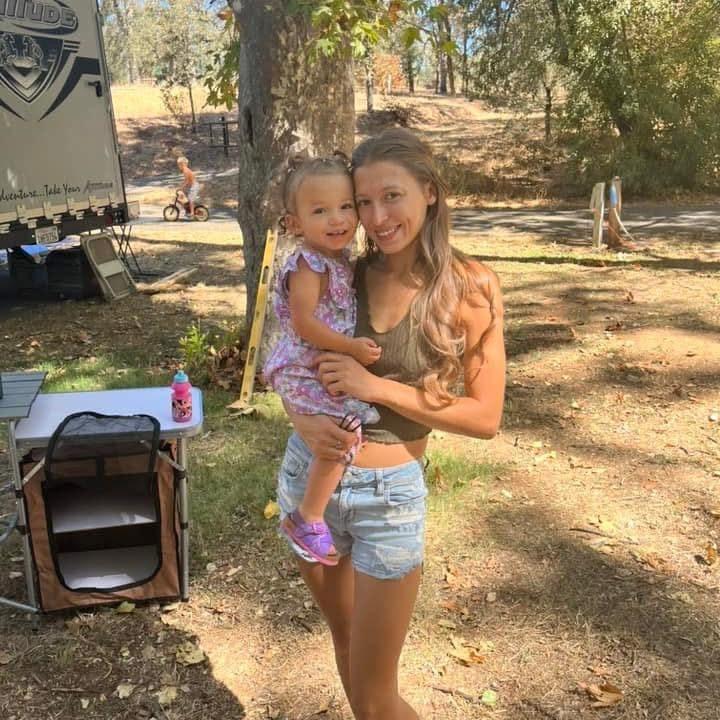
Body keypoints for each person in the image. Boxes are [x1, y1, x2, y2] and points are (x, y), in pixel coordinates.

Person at [275, 128, 506, 720]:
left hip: (390, 500)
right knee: (347, 649)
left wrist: (374, 387)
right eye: (364, 202)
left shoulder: (470, 287)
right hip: (311, 488)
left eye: (392, 196)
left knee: (378, 696)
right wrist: (301, 420)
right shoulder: (342, 273)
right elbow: (292, 360)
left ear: (429, 191)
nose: (376, 218)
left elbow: (485, 418)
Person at [263, 153, 382, 566]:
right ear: (295, 224)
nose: (337, 219)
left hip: (315, 363)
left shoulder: (336, 259)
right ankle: (308, 517)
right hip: (303, 366)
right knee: (344, 432)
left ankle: (311, 512)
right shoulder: (309, 264)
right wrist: (351, 348)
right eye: (320, 211)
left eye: (346, 206)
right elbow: (304, 322)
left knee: (345, 429)